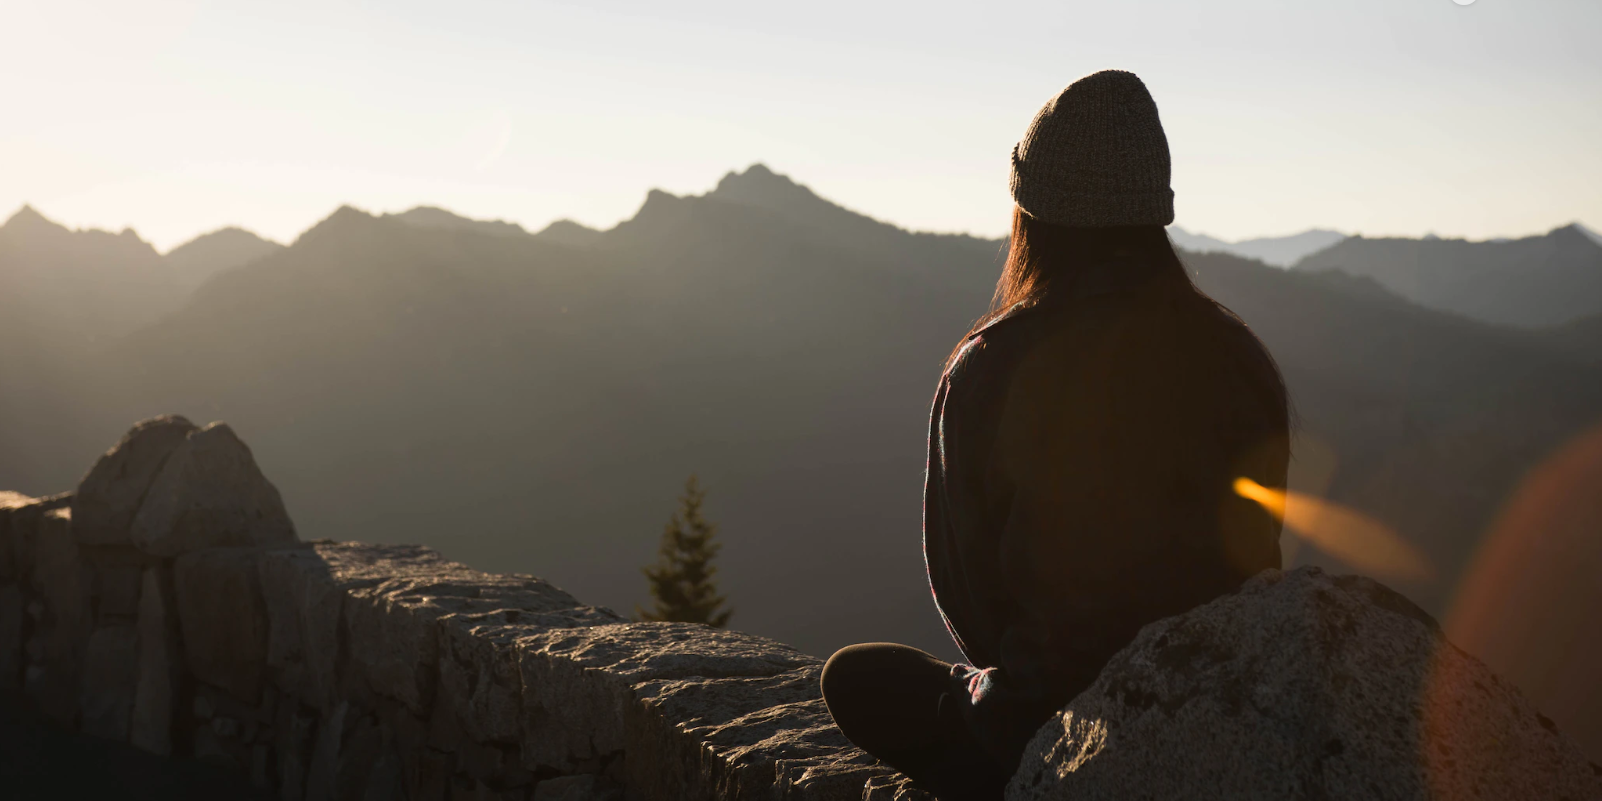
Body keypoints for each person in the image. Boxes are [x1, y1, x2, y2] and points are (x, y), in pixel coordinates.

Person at [819, 69, 1292, 800]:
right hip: (1222, 701)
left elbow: (968, 590)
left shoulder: (991, 365)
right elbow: (1259, 553)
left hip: (1050, 724)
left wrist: (1013, 685)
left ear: (1031, 213)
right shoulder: (1236, 357)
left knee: (858, 677)